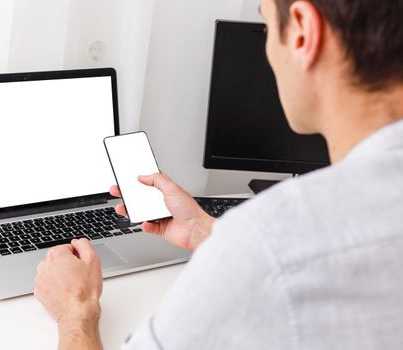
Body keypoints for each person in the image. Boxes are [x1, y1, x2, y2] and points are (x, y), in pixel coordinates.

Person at [34, 0, 403, 348]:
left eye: (267, 24)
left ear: (303, 33)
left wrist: (76, 310)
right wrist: (205, 231)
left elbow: (279, 257)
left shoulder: (271, 241)